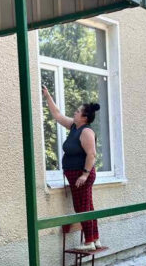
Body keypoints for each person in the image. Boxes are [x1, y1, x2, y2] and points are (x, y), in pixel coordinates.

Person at [42, 86, 104, 252]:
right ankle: (95, 238)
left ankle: (89, 241)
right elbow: (57, 115)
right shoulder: (74, 127)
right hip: (76, 175)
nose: (74, 113)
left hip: (81, 175)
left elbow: (91, 155)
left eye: (77, 111)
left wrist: (84, 175)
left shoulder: (86, 131)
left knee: (82, 208)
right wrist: (47, 96)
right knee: (87, 206)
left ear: (84, 117)